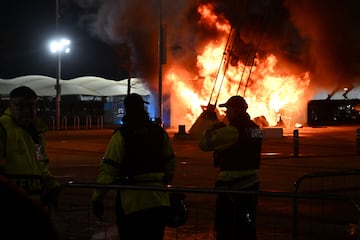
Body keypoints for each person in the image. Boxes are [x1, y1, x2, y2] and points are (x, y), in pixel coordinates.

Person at [92, 93, 176, 240]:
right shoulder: (159, 132)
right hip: (159, 201)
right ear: (143, 108)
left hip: (131, 203)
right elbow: (170, 163)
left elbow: (108, 170)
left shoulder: (121, 135)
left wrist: (97, 197)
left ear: (126, 109)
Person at [199, 95, 263, 240]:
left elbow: (203, 144)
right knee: (247, 225)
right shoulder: (255, 129)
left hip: (232, 186)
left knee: (226, 227)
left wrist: (213, 127)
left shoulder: (232, 131)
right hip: (252, 185)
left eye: (228, 109)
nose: (226, 113)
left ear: (236, 110)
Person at [0, 86, 61, 207]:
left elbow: (41, 166)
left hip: (33, 206)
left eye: (32, 106)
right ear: (10, 105)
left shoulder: (36, 132)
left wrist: (52, 186)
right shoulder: (2, 128)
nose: (28, 110)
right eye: (21, 106)